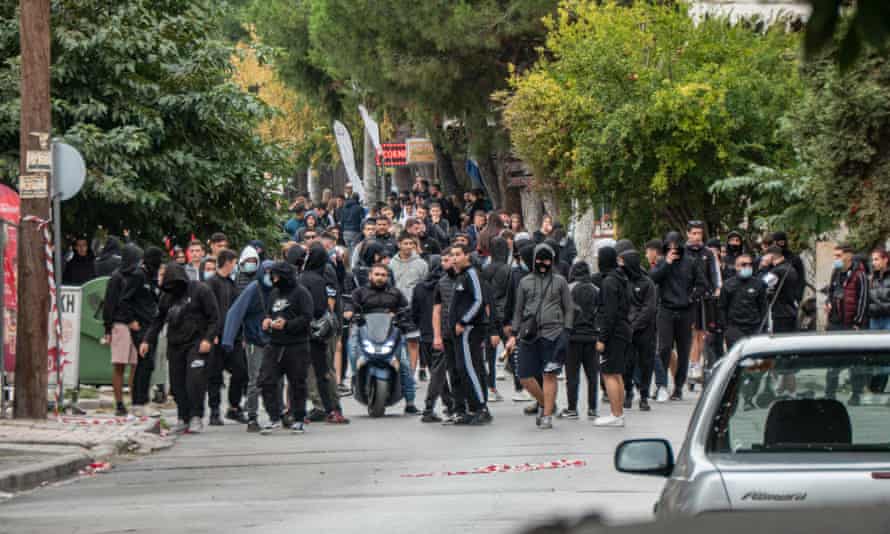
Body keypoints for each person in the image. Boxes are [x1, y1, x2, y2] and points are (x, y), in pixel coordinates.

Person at [141, 262, 219, 434]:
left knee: (194, 381)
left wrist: (208, 338)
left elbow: (214, 317)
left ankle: (196, 416)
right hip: (175, 344)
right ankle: (183, 417)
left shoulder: (201, 290)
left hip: (197, 344)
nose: (171, 288)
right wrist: (147, 340)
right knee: (177, 385)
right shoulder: (166, 296)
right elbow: (158, 320)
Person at [509, 243, 573, 430]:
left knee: (549, 374)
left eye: (547, 259)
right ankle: (546, 403)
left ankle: (546, 416)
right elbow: (518, 310)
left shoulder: (560, 281)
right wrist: (514, 333)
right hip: (529, 335)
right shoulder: (525, 282)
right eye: (539, 259)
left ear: (552, 260)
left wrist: (567, 330)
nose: (542, 263)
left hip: (554, 334)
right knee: (524, 376)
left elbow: (568, 307)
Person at [346, 263, 420, 414]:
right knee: (353, 350)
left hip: (390, 332)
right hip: (364, 331)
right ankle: (355, 376)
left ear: (388, 277)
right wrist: (349, 312)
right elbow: (350, 306)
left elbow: (406, 309)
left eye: (383, 275)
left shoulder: (396, 293)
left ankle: (410, 402)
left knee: (404, 364)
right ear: (370, 276)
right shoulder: (359, 292)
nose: (380, 278)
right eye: (377, 274)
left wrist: (402, 315)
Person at [256, 262, 315, 434]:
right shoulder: (274, 293)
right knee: (266, 380)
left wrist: (288, 324)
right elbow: (269, 312)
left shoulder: (301, 293)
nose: (272, 279)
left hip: (297, 345)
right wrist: (267, 320)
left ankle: (298, 418)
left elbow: (307, 317)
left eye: (275, 275)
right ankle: (274, 417)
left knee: (297, 383)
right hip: (274, 345)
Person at [650, 232, 706, 401]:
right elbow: (653, 279)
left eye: (676, 246)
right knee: (664, 348)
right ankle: (661, 385)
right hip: (666, 310)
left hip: (685, 310)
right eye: (670, 246)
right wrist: (666, 263)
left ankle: (679, 386)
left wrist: (691, 298)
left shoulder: (691, 262)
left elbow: (702, 285)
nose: (673, 249)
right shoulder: (661, 262)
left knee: (683, 350)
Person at [222, 260, 274, 433]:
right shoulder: (253, 289)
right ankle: (252, 416)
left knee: (276, 379)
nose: (270, 276)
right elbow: (235, 313)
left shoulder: (278, 287)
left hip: (275, 340)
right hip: (254, 340)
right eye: (266, 272)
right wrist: (228, 339)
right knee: (255, 380)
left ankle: (278, 413)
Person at [300, 243, 350, 424]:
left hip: (311, 330)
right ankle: (331, 408)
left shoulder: (307, 276)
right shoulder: (322, 275)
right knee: (324, 370)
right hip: (321, 330)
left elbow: (327, 299)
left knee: (314, 371)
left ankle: (320, 407)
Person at [448, 244, 492, 425]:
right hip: (459, 333)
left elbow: (479, 301)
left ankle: (481, 407)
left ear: (467, 256)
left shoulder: (472, 274)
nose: (455, 258)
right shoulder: (460, 277)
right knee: (462, 369)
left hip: (469, 330)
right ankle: (472, 408)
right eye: (452, 255)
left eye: (458, 254)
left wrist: (463, 321)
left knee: (470, 368)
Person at [205, 249, 249, 426]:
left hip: (233, 338)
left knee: (240, 372)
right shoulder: (211, 283)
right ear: (228, 262)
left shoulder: (232, 285)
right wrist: (211, 334)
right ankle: (214, 411)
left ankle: (234, 407)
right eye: (234, 262)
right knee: (214, 376)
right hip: (216, 337)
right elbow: (208, 311)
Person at [102, 244, 144, 416]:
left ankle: (134, 402)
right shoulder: (117, 277)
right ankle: (119, 404)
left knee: (136, 365)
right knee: (119, 365)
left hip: (137, 325)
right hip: (120, 325)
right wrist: (108, 328)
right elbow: (110, 304)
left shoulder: (138, 276)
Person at [592, 247, 632, 427]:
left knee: (608, 373)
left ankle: (616, 414)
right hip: (623, 329)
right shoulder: (621, 278)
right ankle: (619, 413)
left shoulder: (608, 282)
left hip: (613, 332)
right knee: (617, 374)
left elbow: (609, 313)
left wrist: (602, 338)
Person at [825, 243, 868, 403]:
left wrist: (858, 322)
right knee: (832, 361)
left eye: (839, 255)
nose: (836, 259)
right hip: (835, 323)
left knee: (854, 361)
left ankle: (856, 393)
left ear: (848, 256)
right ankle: (830, 393)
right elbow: (830, 292)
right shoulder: (836, 272)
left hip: (851, 323)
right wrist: (828, 302)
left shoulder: (859, 275)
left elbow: (863, 299)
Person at [560, 261, 599, 419]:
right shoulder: (596, 289)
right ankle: (592, 408)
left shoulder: (568, 289)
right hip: (592, 337)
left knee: (572, 376)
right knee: (592, 376)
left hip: (573, 337)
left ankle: (572, 408)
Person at [684, 221, 721, 386]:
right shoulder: (682, 251)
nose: (697, 237)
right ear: (688, 234)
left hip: (704, 298)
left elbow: (714, 274)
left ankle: (698, 366)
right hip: (685, 298)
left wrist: (716, 289)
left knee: (701, 333)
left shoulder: (708, 253)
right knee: (691, 334)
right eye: (694, 233)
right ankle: (691, 365)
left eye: (699, 233)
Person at [620, 249, 657, 412]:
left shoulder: (647, 283)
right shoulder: (622, 281)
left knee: (646, 363)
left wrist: (634, 325)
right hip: (626, 330)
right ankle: (628, 392)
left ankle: (644, 395)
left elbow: (649, 308)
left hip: (644, 330)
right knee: (627, 364)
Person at [482, 236, 511, 402]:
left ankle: (490, 387)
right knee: (512, 350)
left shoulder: (486, 269)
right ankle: (521, 387)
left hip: (489, 314)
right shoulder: (508, 269)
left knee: (489, 354)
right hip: (504, 314)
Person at [720, 254, 766, 350]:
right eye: (744, 264)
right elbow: (722, 307)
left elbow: (763, 306)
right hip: (735, 328)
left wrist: (762, 327)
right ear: (736, 267)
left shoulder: (758, 284)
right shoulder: (728, 284)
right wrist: (726, 329)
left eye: (750, 264)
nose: (748, 267)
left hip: (754, 327)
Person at [390, 231, 429, 305]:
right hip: (396, 303)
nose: (409, 246)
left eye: (411, 243)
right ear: (399, 245)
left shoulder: (422, 264)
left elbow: (424, 286)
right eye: (405, 244)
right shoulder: (391, 263)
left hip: (415, 304)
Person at [869, 248, 890, 330]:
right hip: (874, 319)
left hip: (888, 319)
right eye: (872, 260)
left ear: (885, 260)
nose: (873, 263)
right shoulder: (871, 278)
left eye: (876, 259)